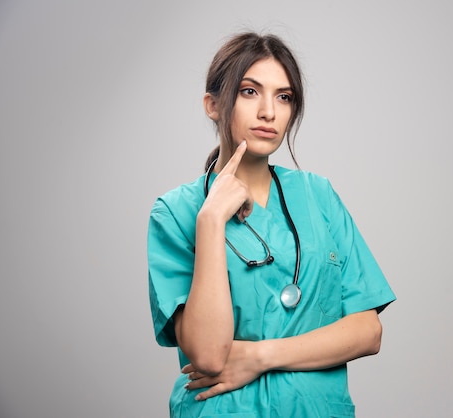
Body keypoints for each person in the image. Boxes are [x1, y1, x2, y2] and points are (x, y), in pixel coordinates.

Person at [147, 31, 396, 418]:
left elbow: (368, 332)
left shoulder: (318, 196)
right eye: (249, 92)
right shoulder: (176, 213)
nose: (269, 112)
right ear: (213, 105)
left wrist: (260, 356)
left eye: (284, 97)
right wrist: (211, 221)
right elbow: (211, 357)